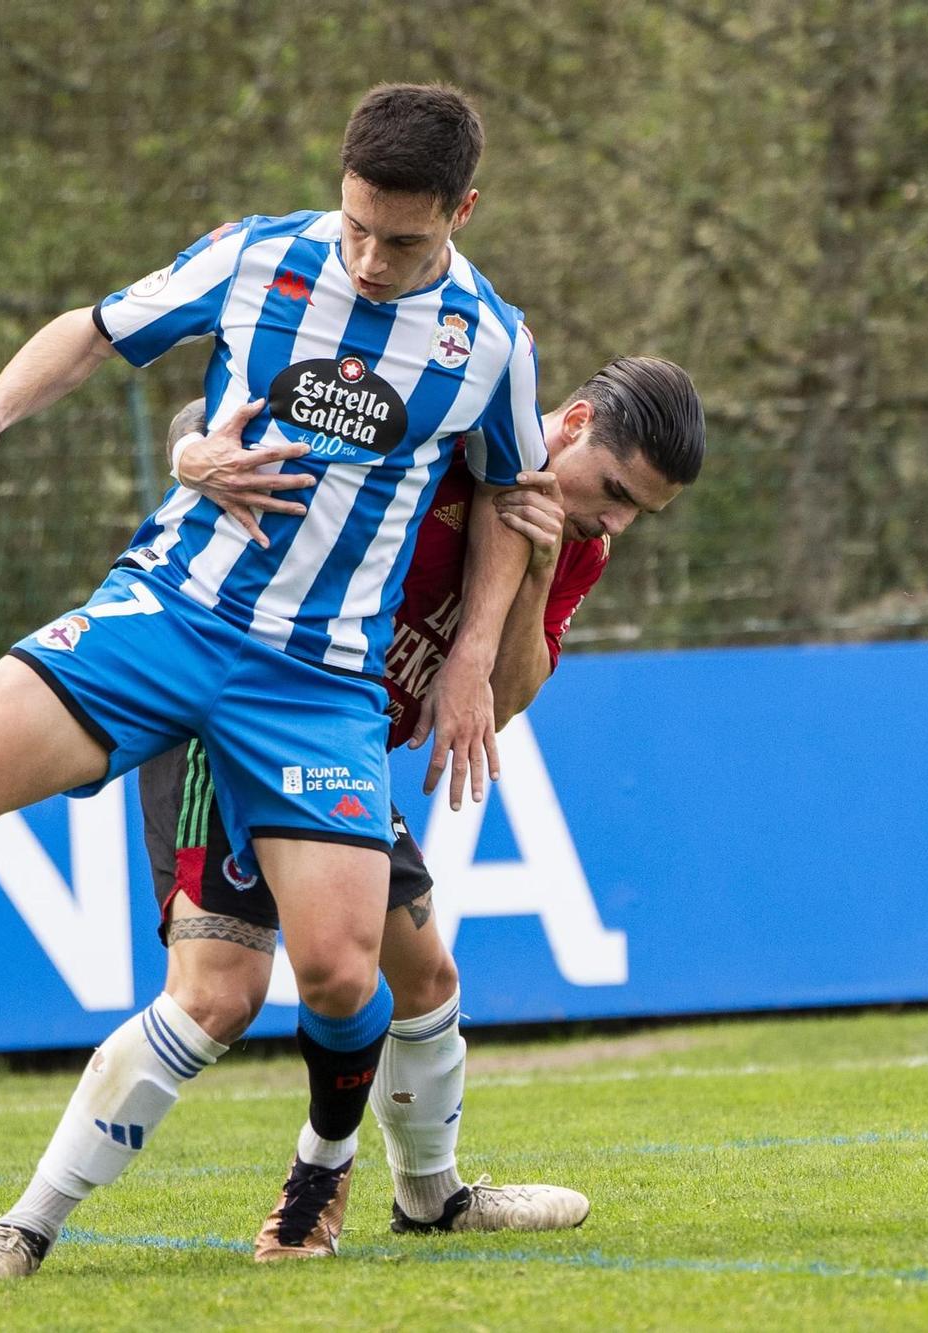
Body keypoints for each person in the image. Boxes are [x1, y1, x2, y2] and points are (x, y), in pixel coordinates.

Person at [0, 83, 547, 1276]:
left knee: (339, 970)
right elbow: (94, 325)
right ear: (336, 188)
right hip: (168, 613)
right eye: (358, 228)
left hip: (316, 677)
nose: (372, 260)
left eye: (405, 240)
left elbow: (510, 496)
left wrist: (474, 653)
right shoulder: (260, 255)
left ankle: (323, 1169)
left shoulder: (490, 342)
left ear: (464, 212)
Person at [113, 357, 702, 1257]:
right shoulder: (434, 444)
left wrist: (541, 570)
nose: (615, 520)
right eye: (615, 491)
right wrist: (196, 451)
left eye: (637, 514)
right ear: (574, 422)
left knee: (423, 980)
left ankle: (430, 1197)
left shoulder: (576, 540)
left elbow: (498, 703)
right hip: (233, 720)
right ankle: (28, 1223)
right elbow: (212, 410)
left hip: (336, 763)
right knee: (212, 998)